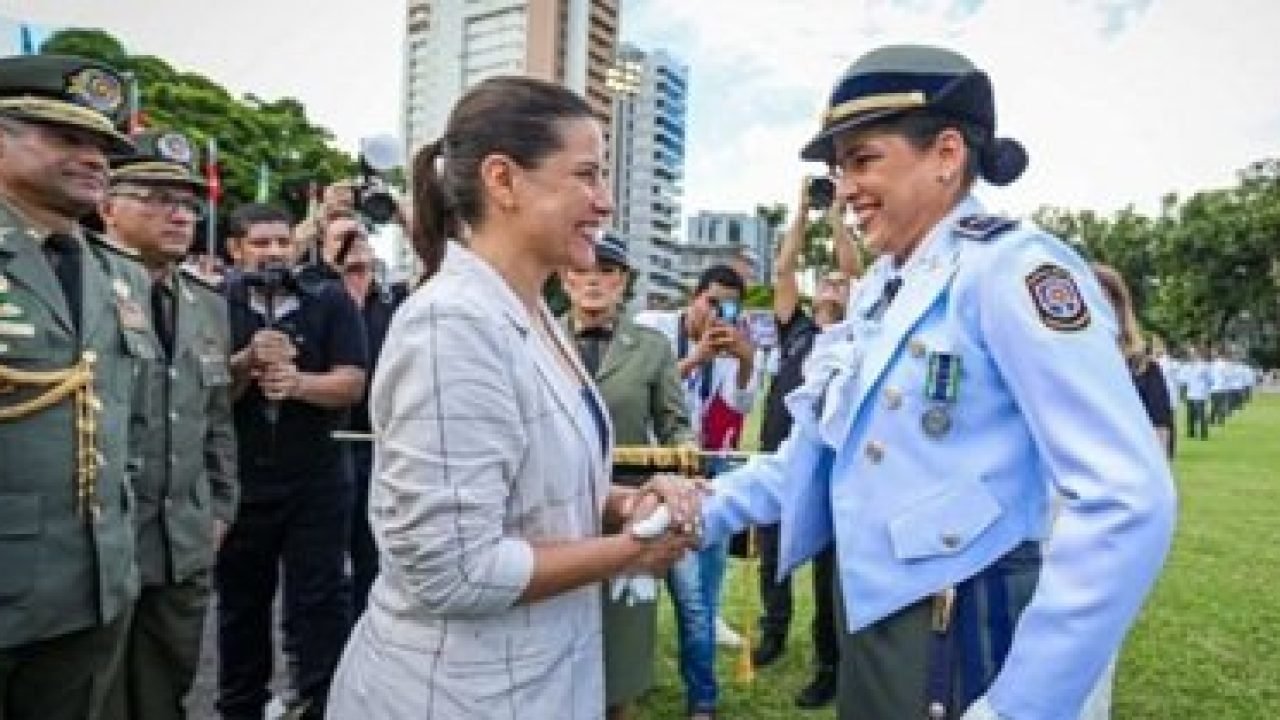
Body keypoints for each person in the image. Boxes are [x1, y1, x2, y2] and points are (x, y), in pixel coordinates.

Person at [696, 44, 1177, 720]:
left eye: (864, 159)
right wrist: (702, 509)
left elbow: (1127, 500)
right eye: (839, 169)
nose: (847, 188)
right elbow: (819, 450)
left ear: (947, 155)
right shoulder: (881, 289)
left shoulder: (1010, 271)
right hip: (872, 611)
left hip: (960, 619)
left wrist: (1021, 707)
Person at [326, 75, 700, 719]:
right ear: (503, 180)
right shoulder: (454, 326)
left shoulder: (531, 313)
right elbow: (453, 570)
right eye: (586, 174)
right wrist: (635, 550)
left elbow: (527, 488)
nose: (604, 201)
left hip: (535, 680)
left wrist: (628, 502)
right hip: (454, 694)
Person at [0, 54, 157, 720]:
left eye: (103, 146)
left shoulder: (119, 274)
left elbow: (131, 421)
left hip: (94, 586)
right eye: (66, 137)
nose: (94, 158)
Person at [98, 130, 239, 720]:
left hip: (183, 539)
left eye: (187, 203)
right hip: (101, 544)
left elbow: (215, 417)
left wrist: (222, 508)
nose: (179, 214)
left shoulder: (206, 301)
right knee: (91, 696)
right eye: (157, 198)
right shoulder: (81, 284)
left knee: (166, 692)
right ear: (107, 205)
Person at [216, 203, 367, 720]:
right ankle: (240, 707)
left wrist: (300, 384)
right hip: (241, 480)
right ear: (235, 250)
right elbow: (205, 393)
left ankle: (322, 702)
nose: (274, 252)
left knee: (320, 600)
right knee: (240, 604)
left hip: (318, 479)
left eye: (283, 242)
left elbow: (352, 380)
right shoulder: (213, 303)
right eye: (261, 243)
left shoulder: (330, 301)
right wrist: (246, 362)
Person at [560, 230, 694, 720]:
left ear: (623, 283)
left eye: (607, 273)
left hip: (633, 512)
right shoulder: (540, 338)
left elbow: (676, 425)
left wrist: (684, 463)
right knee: (557, 632)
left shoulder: (653, 348)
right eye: (582, 271)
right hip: (559, 510)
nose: (593, 282)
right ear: (564, 277)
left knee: (622, 642)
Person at [751, 178, 860, 710]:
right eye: (829, 283)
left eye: (842, 284)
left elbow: (858, 270)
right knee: (772, 549)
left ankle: (828, 662)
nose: (836, 287)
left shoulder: (859, 332)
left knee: (827, 567)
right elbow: (784, 269)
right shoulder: (795, 329)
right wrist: (800, 211)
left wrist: (838, 216)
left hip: (833, 463)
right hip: (780, 456)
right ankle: (772, 632)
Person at [635, 264, 759, 720]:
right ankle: (625, 683)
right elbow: (646, 392)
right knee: (630, 590)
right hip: (649, 469)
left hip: (708, 470)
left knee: (697, 598)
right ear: (694, 296)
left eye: (729, 306)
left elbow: (740, 405)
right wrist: (696, 359)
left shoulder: (735, 342)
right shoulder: (653, 330)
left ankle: (703, 700)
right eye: (712, 302)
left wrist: (746, 361)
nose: (717, 314)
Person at [329, 221, 407, 617]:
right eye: (348, 268)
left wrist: (404, 214)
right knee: (322, 571)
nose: (360, 275)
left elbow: (440, 263)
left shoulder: (395, 302)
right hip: (326, 449)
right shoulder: (314, 298)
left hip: (381, 446)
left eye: (366, 267)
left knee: (373, 558)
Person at [1094, 265, 1172, 458]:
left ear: (1119, 309)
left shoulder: (1144, 367)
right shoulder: (1064, 364)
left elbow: (1159, 429)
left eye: (1101, 302)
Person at [1179, 345, 1212, 440]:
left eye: (1193, 354)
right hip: (1190, 393)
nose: (1191, 356)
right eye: (1190, 354)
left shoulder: (1204, 366)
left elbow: (1210, 379)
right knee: (1190, 415)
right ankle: (1191, 433)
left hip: (1201, 393)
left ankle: (1203, 434)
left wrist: (1206, 388)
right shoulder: (1187, 366)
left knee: (1201, 415)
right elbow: (1182, 379)